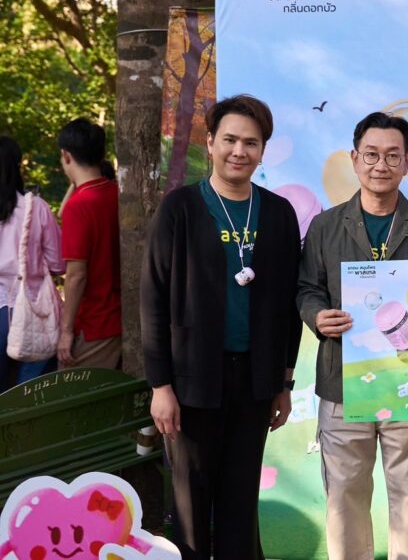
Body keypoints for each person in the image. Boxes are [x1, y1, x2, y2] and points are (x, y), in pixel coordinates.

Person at [141, 95, 301, 560]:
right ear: (210, 143)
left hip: (255, 382)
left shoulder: (279, 213)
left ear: (263, 150)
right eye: (229, 140)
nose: (239, 151)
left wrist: (284, 382)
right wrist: (160, 386)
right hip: (190, 384)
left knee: (240, 501)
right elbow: (153, 299)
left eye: (251, 143)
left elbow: (288, 305)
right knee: (190, 505)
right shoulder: (180, 208)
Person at [297, 111, 408, 560]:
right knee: (344, 497)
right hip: (342, 384)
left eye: (392, 156)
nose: (381, 165)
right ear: (354, 158)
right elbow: (307, 287)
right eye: (371, 155)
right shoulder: (325, 226)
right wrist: (317, 315)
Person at [0, 136, 65, 390]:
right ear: (18, 166)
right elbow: (59, 264)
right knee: (29, 394)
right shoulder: (36, 208)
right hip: (33, 313)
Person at [57, 118, 122, 369]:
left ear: (66, 155)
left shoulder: (79, 205)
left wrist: (66, 331)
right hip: (121, 315)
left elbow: (76, 275)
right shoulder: (118, 193)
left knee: (69, 388)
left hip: (95, 322)